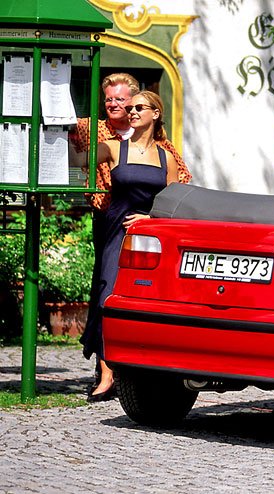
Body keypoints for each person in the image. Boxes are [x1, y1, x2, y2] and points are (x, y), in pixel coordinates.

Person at [70, 73, 191, 400]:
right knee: (108, 292)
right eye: (126, 106)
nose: (128, 111)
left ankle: (141, 367)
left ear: (155, 114)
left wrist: (151, 218)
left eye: (137, 106)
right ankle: (107, 373)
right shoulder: (109, 145)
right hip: (115, 228)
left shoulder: (166, 155)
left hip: (149, 234)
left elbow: (176, 196)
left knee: (146, 296)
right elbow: (73, 159)